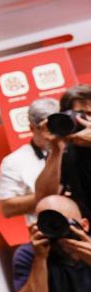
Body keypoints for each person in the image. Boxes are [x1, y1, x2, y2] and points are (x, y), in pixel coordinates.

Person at [0, 98, 60, 224]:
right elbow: (7, 208)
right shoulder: (14, 161)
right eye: (46, 128)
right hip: (48, 230)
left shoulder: (78, 147)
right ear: (32, 127)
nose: (52, 133)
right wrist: (56, 195)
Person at [35, 85, 91, 215]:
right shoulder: (65, 150)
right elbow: (44, 199)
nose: (87, 120)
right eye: (81, 114)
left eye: (90, 114)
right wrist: (56, 149)